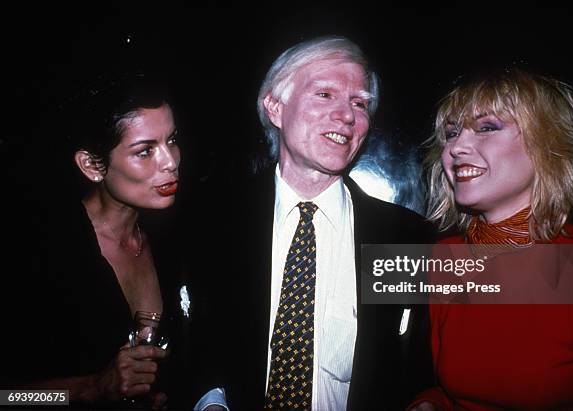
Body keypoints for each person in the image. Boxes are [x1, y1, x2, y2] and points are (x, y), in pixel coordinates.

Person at [190, 35, 435, 410]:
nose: (347, 115)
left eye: (359, 103)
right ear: (275, 107)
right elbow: (195, 338)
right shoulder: (213, 221)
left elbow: (422, 368)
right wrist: (210, 400)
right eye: (325, 95)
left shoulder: (404, 238)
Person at [409, 68, 573, 410]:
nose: (457, 147)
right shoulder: (445, 258)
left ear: (546, 145)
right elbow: (452, 391)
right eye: (451, 133)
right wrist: (431, 404)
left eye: (487, 127)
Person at [4, 73, 189, 409]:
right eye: (145, 150)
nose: (171, 161)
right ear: (92, 166)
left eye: (172, 140)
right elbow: (10, 396)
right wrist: (91, 388)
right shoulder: (38, 254)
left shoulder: (176, 240)